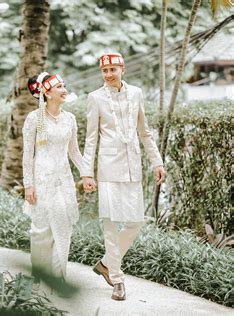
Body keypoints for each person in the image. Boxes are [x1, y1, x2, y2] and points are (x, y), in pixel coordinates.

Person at [80, 52, 166, 301]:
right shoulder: (95, 98)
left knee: (136, 221)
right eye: (104, 71)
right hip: (107, 170)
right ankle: (117, 280)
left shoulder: (136, 94)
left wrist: (157, 161)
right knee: (110, 223)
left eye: (112, 70)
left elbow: (145, 132)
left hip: (133, 168)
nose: (108, 75)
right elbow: (91, 139)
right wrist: (87, 173)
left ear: (122, 70)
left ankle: (106, 263)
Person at [22, 72, 84, 286]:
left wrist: (87, 174)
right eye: (59, 87)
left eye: (64, 85)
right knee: (40, 230)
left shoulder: (70, 119)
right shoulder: (34, 119)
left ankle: (59, 278)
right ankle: (38, 277)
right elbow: (27, 154)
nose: (64, 89)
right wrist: (28, 185)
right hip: (41, 180)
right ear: (46, 93)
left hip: (63, 180)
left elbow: (74, 152)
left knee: (63, 225)